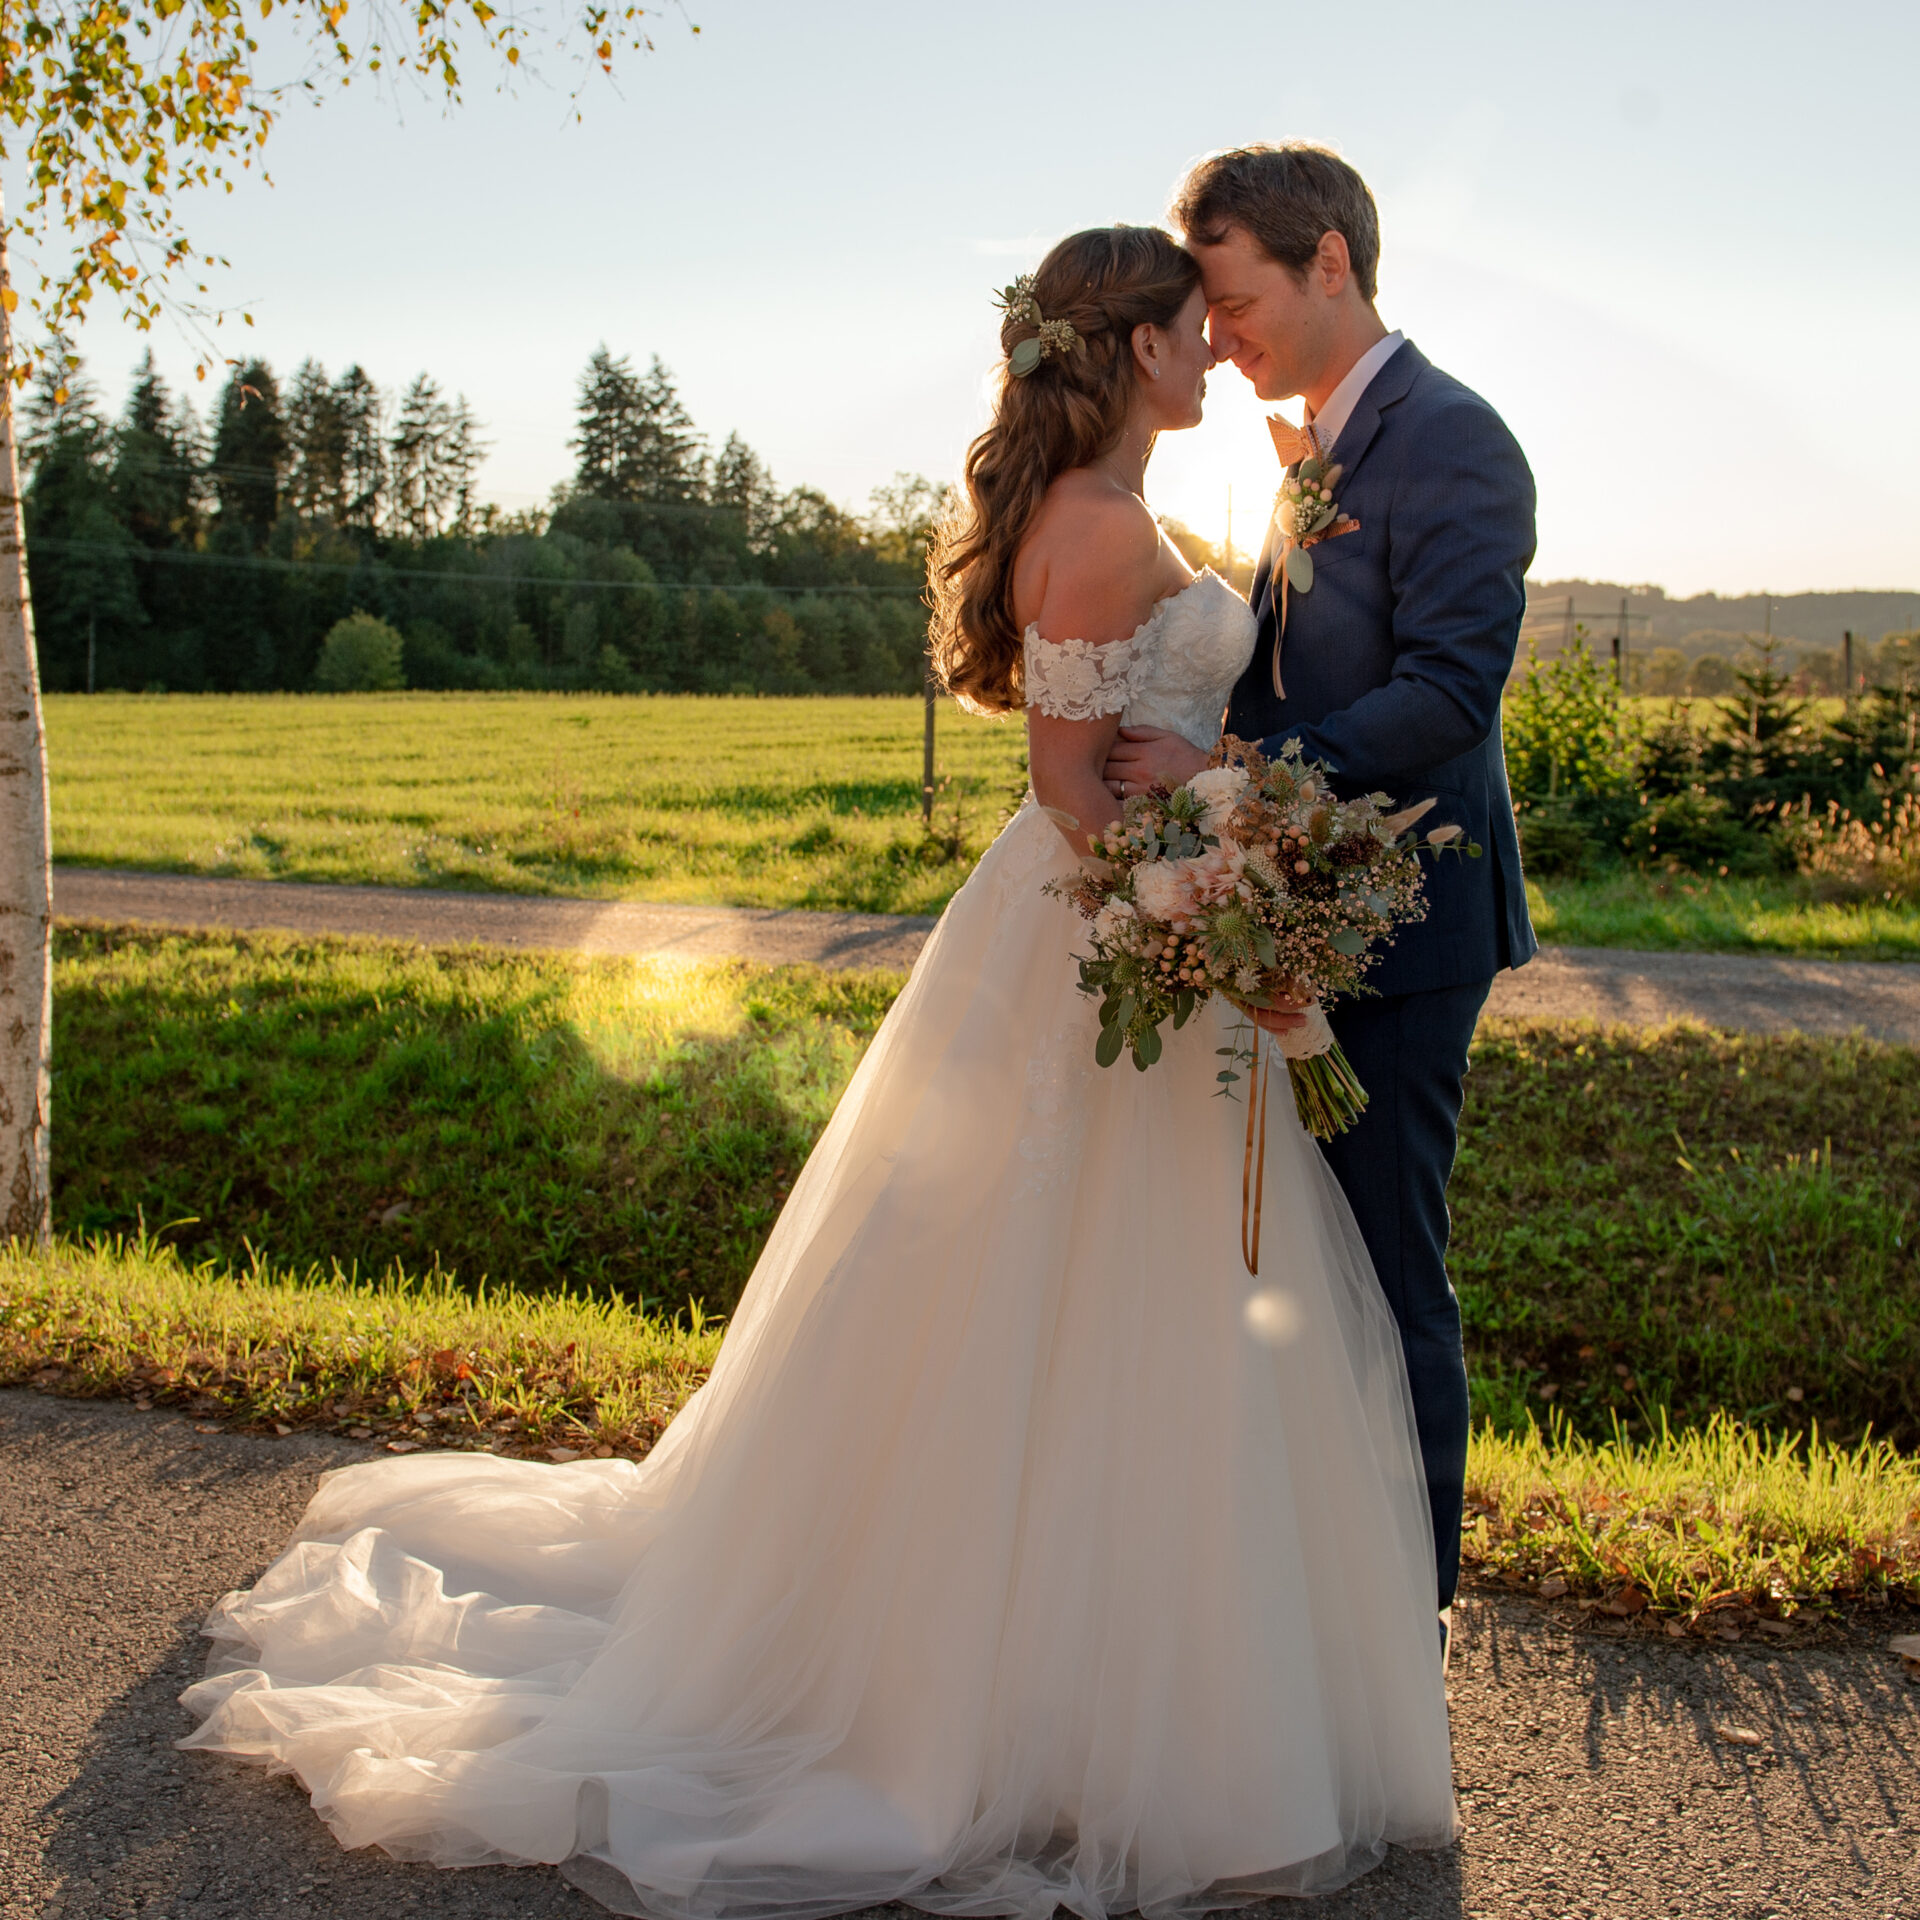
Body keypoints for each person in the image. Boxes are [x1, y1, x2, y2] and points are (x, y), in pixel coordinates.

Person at [179, 224, 1457, 1919]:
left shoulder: (1111, 514)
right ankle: (1037, 1704)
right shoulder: (1094, 529)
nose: (1214, 350)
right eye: (1188, 326)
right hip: (1108, 938)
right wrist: (1205, 879)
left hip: (1127, 929)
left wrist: (1222, 815)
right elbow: (1077, 788)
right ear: (1131, 348)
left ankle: (1125, 1680)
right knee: (1085, 1313)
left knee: (1120, 1319)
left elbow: (1128, 753)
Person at [1104, 145, 1539, 1641]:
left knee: (1385, 1265)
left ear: (1331, 264)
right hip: (1295, 902)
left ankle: (1400, 1613)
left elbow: (1449, 694)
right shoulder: (1313, 450)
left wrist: (1232, 762)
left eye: (1233, 301)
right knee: (1297, 1260)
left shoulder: (1456, 440)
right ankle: (1308, 1596)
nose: (1215, 336)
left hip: (1409, 928)